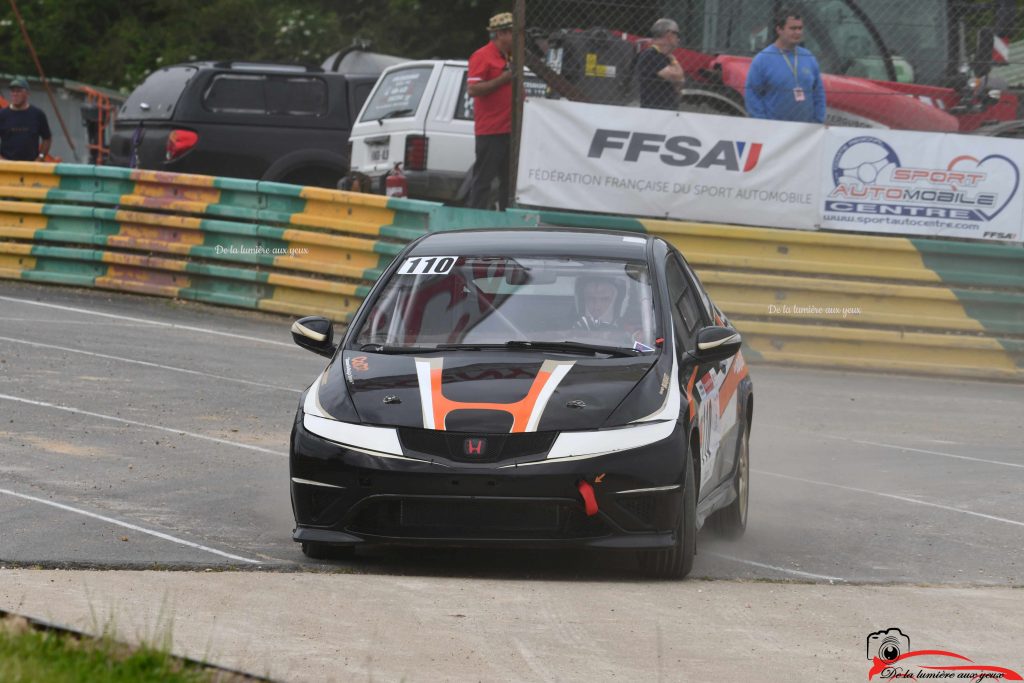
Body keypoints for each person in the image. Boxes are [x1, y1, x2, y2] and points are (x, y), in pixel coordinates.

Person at [467, 12, 514, 210]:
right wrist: (503, 79)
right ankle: (472, 223)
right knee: (483, 180)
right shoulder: (482, 56)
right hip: (491, 131)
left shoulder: (511, 57)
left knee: (509, 182)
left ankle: (505, 221)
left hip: (510, 130)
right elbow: (473, 89)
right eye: (514, 33)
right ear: (501, 34)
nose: (518, 38)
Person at [744, 8, 826, 123]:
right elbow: (752, 95)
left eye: (800, 28)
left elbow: (818, 92)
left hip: (806, 132)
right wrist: (762, 123)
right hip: (775, 130)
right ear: (779, 29)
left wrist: (818, 121)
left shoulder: (808, 57)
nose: (798, 32)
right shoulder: (763, 59)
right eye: (793, 28)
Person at [636, 18, 686, 110]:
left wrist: (671, 58)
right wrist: (673, 59)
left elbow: (680, 80)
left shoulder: (664, 57)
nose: (678, 39)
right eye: (677, 35)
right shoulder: (651, 55)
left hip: (666, 110)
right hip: (655, 111)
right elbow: (677, 77)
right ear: (669, 35)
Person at [0, 77, 52, 161]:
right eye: (13, 91)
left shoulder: (38, 114)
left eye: (19, 91)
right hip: (7, 167)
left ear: (27, 93)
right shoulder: (2, 115)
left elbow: (47, 138)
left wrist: (41, 157)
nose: (15, 94)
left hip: (30, 167)